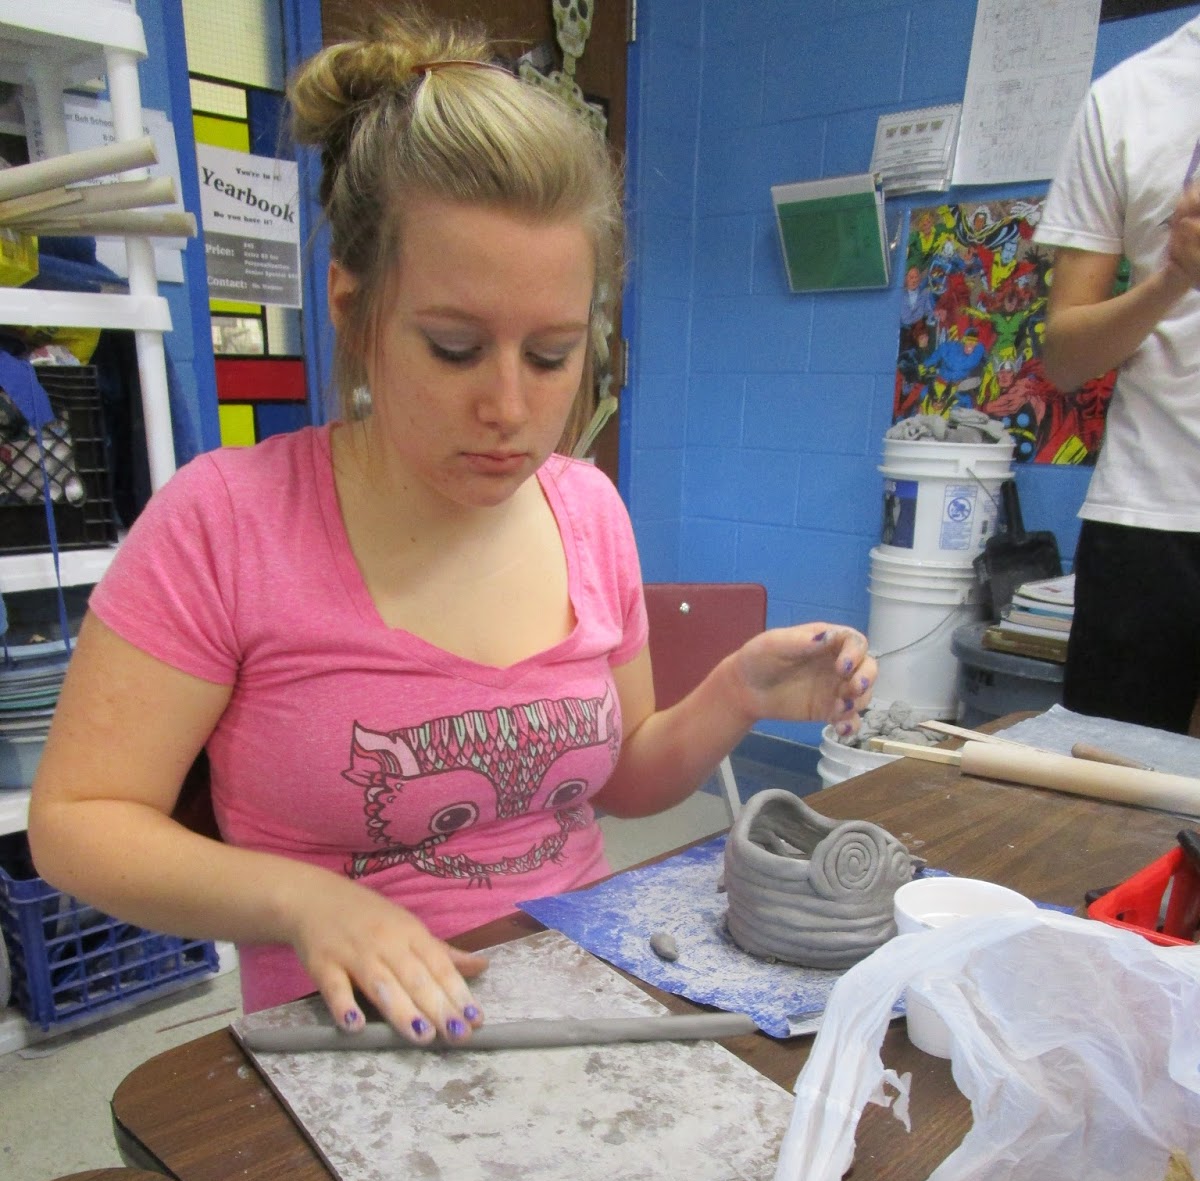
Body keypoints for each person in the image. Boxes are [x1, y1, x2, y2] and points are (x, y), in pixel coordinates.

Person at [27, 13, 877, 1046]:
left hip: (576, 988)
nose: (511, 408)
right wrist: (305, 903)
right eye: (455, 347)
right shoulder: (227, 523)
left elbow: (621, 781)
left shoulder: (587, 511)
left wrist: (739, 690)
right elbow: (79, 824)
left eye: (555, 354)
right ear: (354, 311)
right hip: (349, 1037)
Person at [1035, 13, 1200, 733]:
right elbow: (1065, 357)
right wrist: (1174, 278)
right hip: (1152, 516)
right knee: (1106, 828)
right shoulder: (1129, 97)